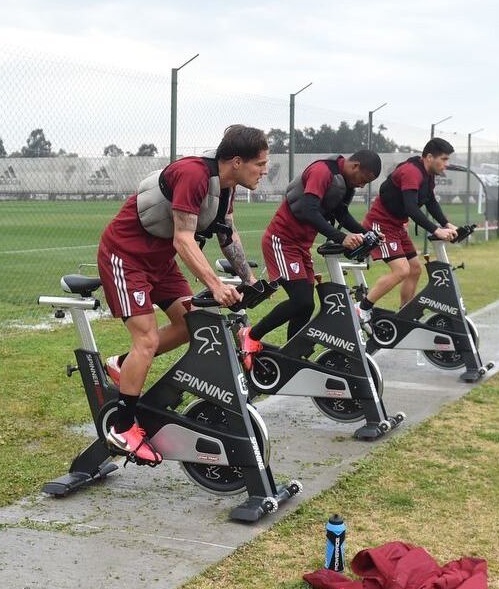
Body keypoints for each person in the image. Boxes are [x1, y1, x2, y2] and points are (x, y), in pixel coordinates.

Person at [96, 124, 269, 461]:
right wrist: (216, 285)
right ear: (237, 161)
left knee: (191, 324)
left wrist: (249, 280)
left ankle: (122, 365)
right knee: (146, 340)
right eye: (260, 164)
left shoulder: (227, 186)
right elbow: (183, 239)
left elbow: (227, 233)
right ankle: (122, 427)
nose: (264, 171)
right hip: (126, 256)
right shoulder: (194, 175)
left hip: (160, 261)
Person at [240, 150, 381, 364]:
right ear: (355, 166)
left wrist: (366, 234)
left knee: (306, 305)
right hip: (282, 241)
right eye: (364, 179)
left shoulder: (344, 183)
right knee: (300, 300)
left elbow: (341, 215)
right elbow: (307, 209)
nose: (362, 186)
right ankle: (250, 335)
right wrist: (341, 237)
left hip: (301, 246)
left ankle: (291, 355)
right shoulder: (322, 171)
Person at [356, 138, 458, 323]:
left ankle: (404, 315)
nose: (446, 164)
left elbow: (430, 201)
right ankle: (362, 308)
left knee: (414, 269)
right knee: (401, 270)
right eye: (444, 159)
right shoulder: (411, 172)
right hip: (380, 225)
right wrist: (436, 230)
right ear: (429, 157)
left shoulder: (428, 175)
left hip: (396, 226)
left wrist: (447, 224)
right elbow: (411, 208)